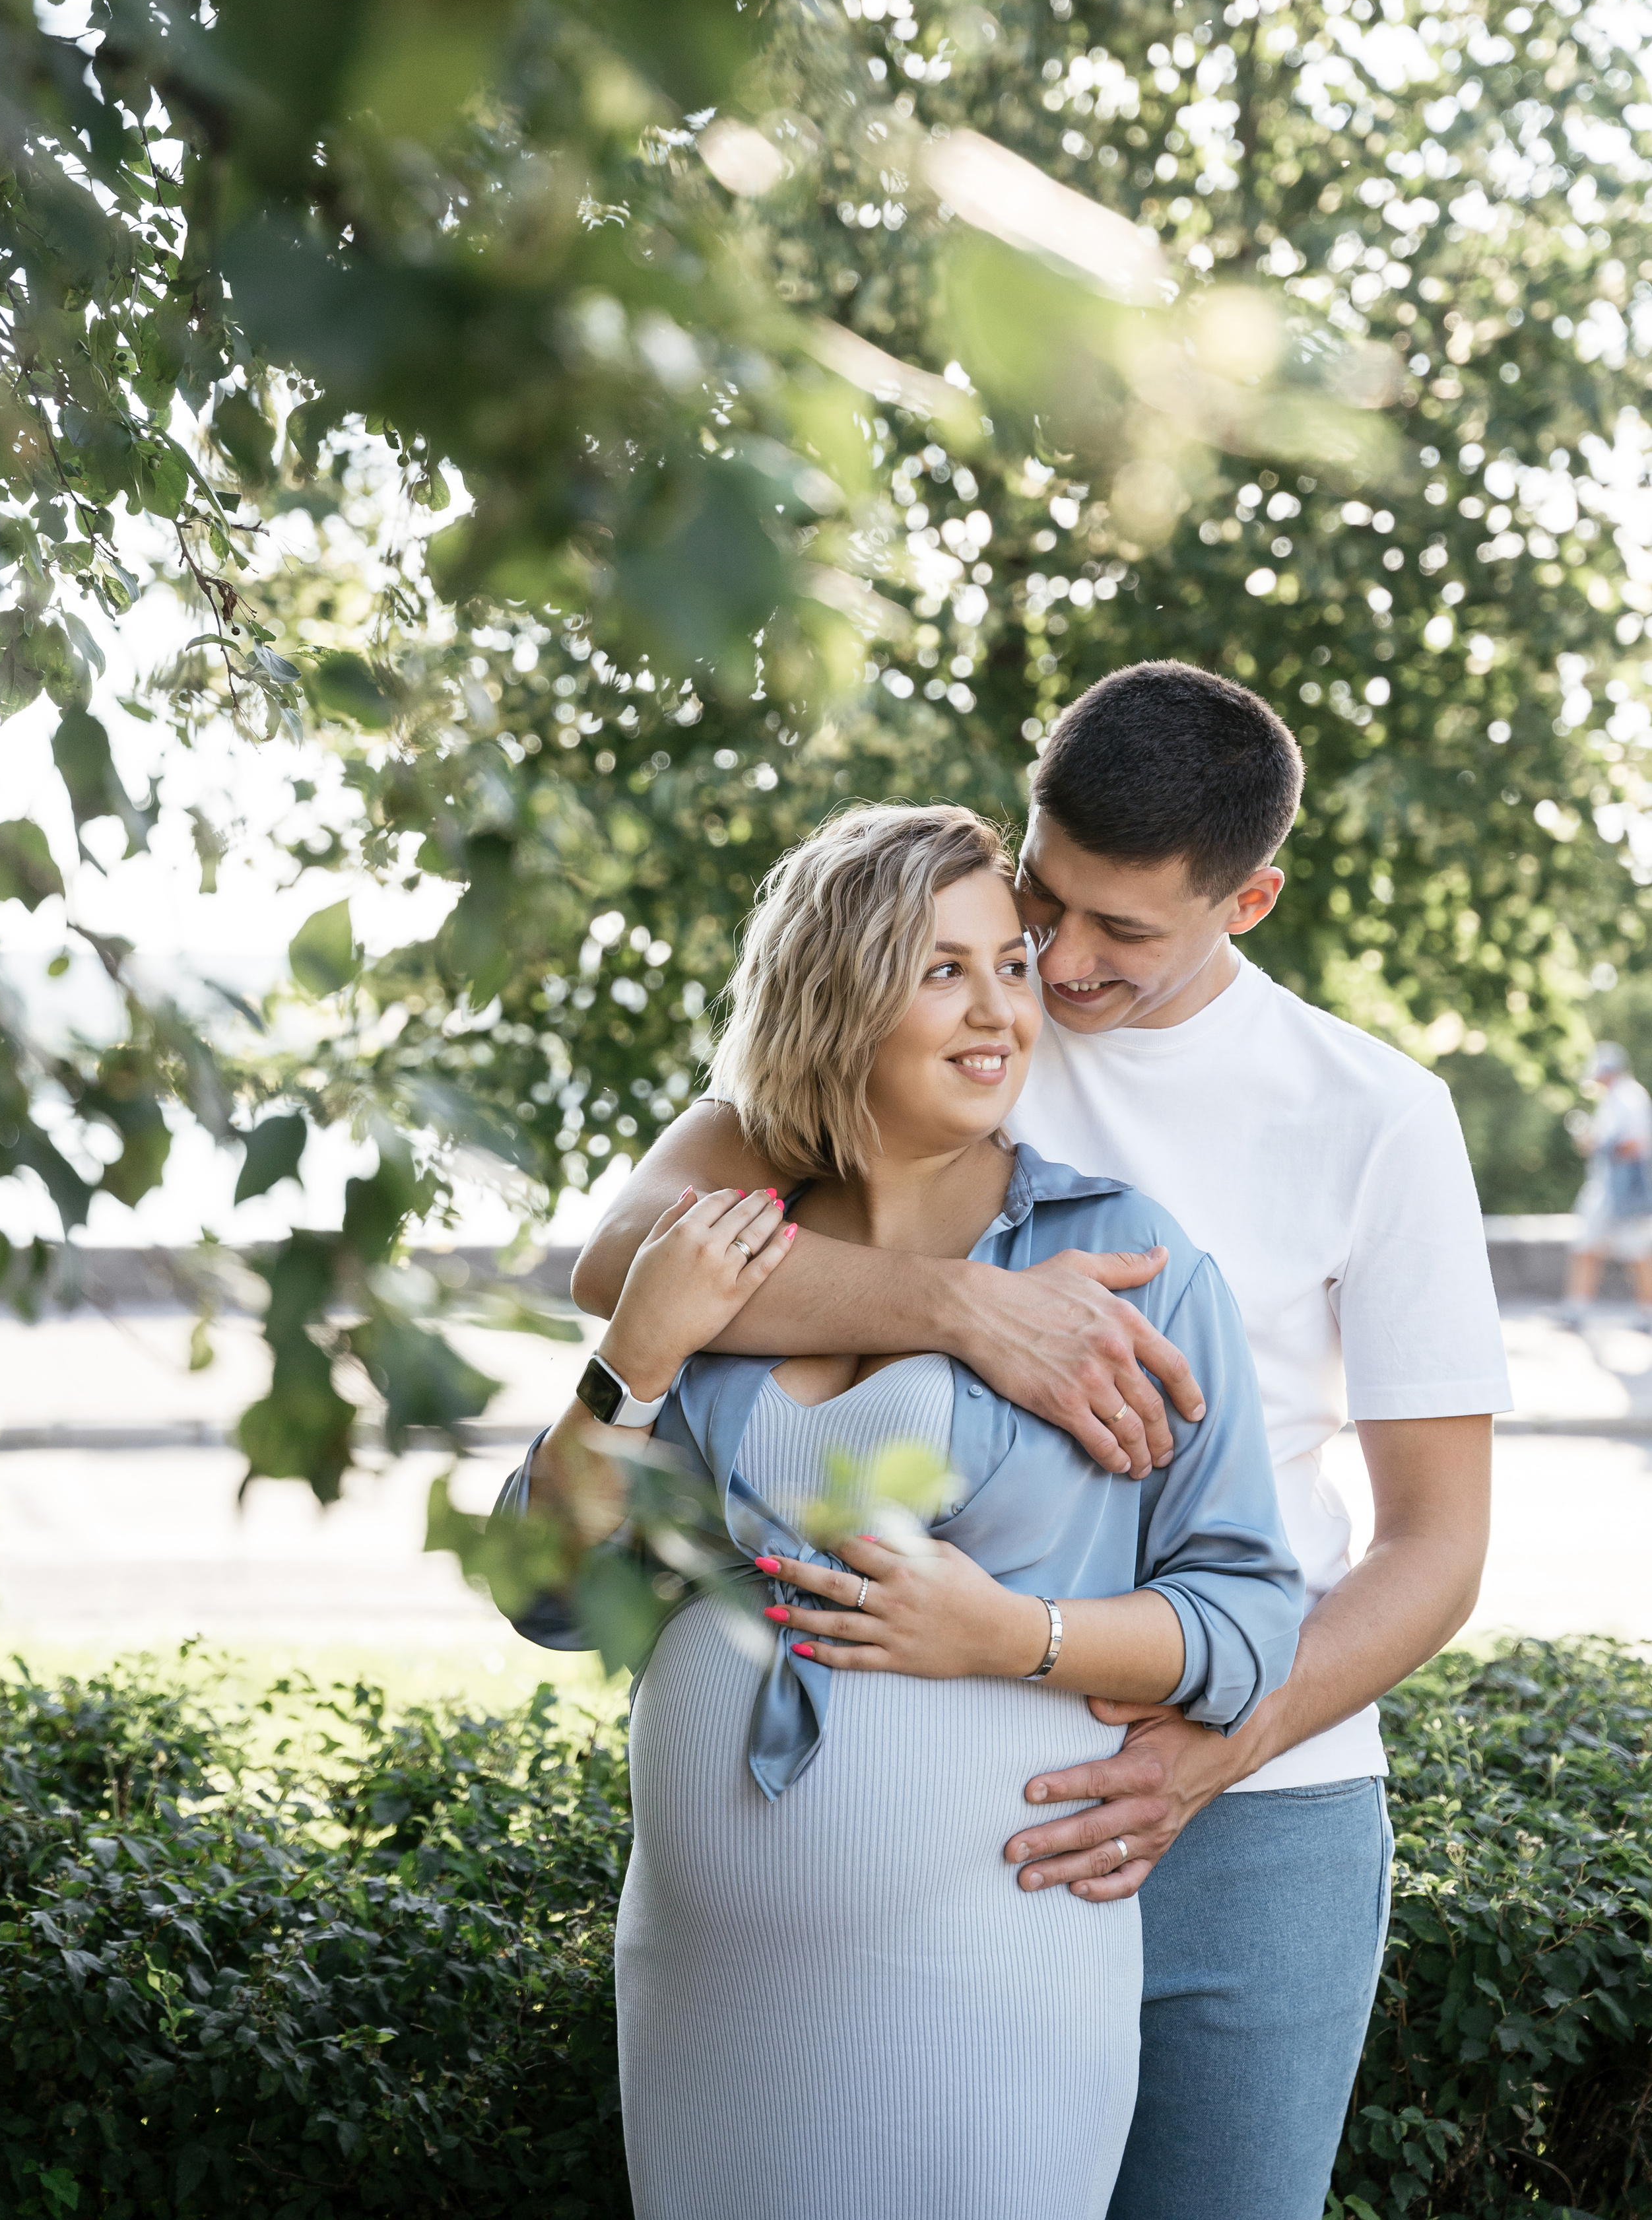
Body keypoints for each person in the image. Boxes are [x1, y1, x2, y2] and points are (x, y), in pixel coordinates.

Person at [575, 662, 1511, 2220]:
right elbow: (625, 1261)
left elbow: (1437, 1542)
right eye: (1041, 898)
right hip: (940, 1839)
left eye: (1118, 932)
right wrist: (961, 1306)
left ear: (1247, 901)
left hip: (1251, 1800)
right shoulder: (945, 1005)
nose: (1059, 965)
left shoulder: (1371, 1114)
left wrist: (1217, 1744)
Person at [512, 803, 1304, 2220]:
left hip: (995, 1978)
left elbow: (1247, 1619)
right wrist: (635, 1356)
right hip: (707, 1993)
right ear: (835, 993)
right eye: (944, 969)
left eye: (1011, 964)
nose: (1001, 1008)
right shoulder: (721, 1255)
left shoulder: (1122, 1260)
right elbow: (545, 1593)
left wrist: (1015, 1636)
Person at [1560, 1038, 1652, 1329]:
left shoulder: (1629, 1097)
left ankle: (1647, 1314)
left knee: (1638, 1252)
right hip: (1606, 1189)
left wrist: (1599, 1145)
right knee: (1587, 1247)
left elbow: (1636, 1144)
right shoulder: (1612, 1099)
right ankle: (1576, 1311)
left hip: (1625, 1191)